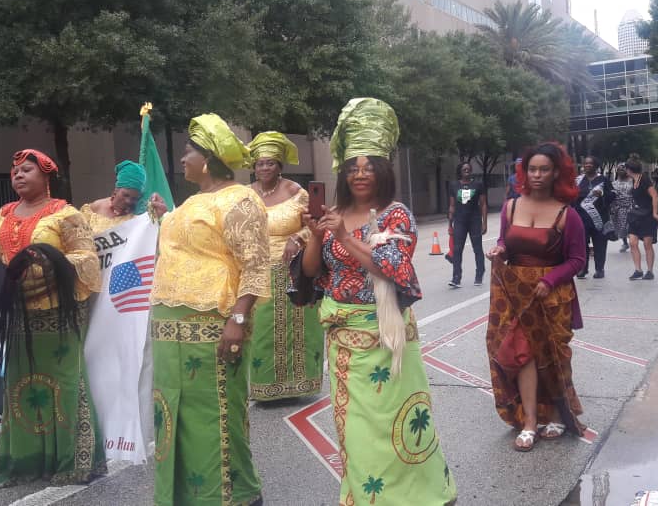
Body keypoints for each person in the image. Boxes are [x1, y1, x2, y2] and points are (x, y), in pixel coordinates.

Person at [301, 98, 457, 505]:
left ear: (384, 171)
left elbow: (393, 267)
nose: (360, 174)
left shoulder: (395, 215)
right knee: (355, 430)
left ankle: (416, 496)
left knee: (393, 425)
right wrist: (317, 234)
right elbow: (314, 271)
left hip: (384, 337)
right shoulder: (334, 213)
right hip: (341, 341)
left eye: (370, 166)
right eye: (353, 167)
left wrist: (347, 236)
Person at [0, 149, 106, 487]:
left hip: (58, 315)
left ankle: (73, 461)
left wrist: (45, 261)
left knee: (65, 385)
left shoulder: (66, 214)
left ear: (46, 176)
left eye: (27, 170)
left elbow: (87, 261)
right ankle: (26, 461)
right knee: (20, 388)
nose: (18, 175)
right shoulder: (3, 213)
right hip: (18, 315)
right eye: (14, 171)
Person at [149, 114, 269, 506]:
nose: (182, 159)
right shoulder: (191, 202)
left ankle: (236, 496)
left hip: (213, 326)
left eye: (188, 152)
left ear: (209, 158)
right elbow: (183, 247)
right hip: (170, 331)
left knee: (217, 416)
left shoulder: (241, 199)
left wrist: (238, 319)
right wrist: (160, 215)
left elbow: (254, 263)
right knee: (172, 416)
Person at [485, 143, 587, 452]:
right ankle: (529, 421)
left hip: (551, 295)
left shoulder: (567, 214)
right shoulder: (511, 207)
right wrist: (500, 249)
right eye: (532, 169)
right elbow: (506, 240)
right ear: (524, 172)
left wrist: (551, 279)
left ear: (557, 172)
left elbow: (578, 260)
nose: (538, 174)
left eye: (544, 169)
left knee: (551, 355)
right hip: (515, 291)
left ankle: (555, 413)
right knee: (521, 354)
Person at [245, 131, 323, 402]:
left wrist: (297, 238)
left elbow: (314, 223)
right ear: (253, 167)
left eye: (270, 163)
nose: (264, 168)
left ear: (280, 166)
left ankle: (298, 385)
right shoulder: (245, 195)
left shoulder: (295, 192)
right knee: (262, 330)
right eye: (259, 163)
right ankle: (265, 388)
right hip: (257, 272)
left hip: (293, 270)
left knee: (296, 330)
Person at [447, 161, 488, 287]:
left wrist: (484, 222)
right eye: (464, 169)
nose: (466, 171)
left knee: (477, 249)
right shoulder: (454, 185)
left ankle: (479, 274)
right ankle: (456, 277)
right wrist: (450, 224)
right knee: (457, 249)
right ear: (460, 171)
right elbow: (452, 206)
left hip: (474, 220)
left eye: (468, 169)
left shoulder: (478, 185)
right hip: (460, 221)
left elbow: (483, 204)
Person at [80, 160, 146, 233]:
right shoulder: (97, 206)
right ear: (116, 190)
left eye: (134, 198)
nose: (128, 201)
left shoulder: (139, 217)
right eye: (125, 195)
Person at [625, 158, 658, 280]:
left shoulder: (644, 179)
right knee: (632, 242)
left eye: (626, 168)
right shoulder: (633, 180)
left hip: (647, 216)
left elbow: (654, 195)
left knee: (647, 244)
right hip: (635, 215)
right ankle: (638, 270)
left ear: (629, 169)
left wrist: (655, 213)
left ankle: (650, 271)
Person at [574, 156, 612, 279]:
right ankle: (582, 269)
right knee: (581, 245)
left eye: (590, 163)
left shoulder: (603, 180)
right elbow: (571, 197)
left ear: (596, 165)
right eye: (586, 163)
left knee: (600, 244)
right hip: (581, 218)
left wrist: (602, 195)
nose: (587, 165)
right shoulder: (578, 180)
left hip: (599, 218)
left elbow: (612, 196)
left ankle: (599, 269)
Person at [611, 165, 634, 253]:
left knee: (631, 226)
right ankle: (625, 243)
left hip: (631, 207)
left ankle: (633, 241)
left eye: (623, 169)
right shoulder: (614, 183)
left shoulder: (632, 181)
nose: (621, 170)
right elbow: (612, 196)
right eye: (619, 169)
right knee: (622, 227)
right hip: (619, 208)